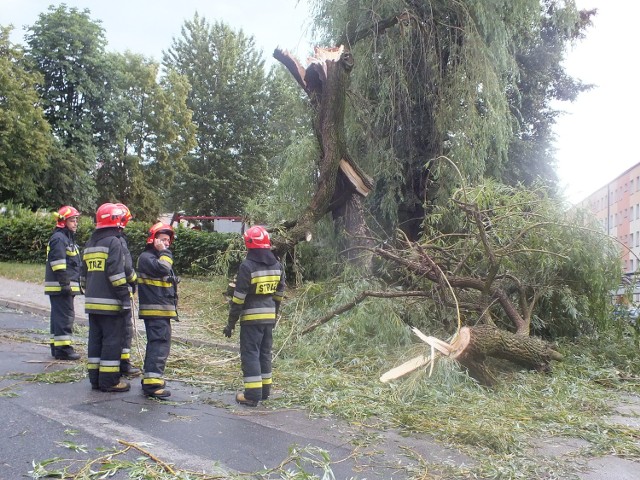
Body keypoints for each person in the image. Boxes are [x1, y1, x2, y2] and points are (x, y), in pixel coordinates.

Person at [223, 225, 285, 407]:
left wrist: (230, 323)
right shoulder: (277, 265)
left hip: (251, 319)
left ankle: (251, 395)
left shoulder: (247, 266)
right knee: (265, 354)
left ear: (248, 244)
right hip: (268, 316)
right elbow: (279, 295)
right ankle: (264, 392)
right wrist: (273, 315)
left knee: (250, 354)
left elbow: (239, 298)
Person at [81, 203, 132, 393]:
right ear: (116, 220)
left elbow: (83, 275)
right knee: (112, 342)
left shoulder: (91, 242)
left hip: (92, 303)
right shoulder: (115, 242)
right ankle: (110, 381)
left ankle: (95, 379)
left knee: (95, 341)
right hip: (111, 304)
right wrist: (125, 299)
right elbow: (116, 274)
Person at [136, 222, 178, 399]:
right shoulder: (147, 258)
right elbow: (163, 268)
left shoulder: (157, 257)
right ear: (152, 239)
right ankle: (152, 385)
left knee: (160, 345)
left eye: (168, 240)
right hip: (156, 309)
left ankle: (152, 378)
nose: (166, 243)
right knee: (158, 345)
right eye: (162, 239)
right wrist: (164, 252)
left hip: (162, 309)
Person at [44, 205, 82, 360]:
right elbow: (58, 264)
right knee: (65, 316)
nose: (75, 223)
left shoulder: (64, 238)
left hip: (61, 286)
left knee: (58, 316)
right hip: (61, 286)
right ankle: (63, 349)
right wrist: (65, 284)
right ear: (63, 222)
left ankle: (56, 346)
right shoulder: (59, 239)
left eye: (76, 220)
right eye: (72, 220)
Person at [115, 203, 141, 377]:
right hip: (121, 292)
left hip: (106, 294)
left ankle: (116, 362)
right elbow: (127, 267)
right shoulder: (119, 241)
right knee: (125, 328)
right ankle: (124, 364)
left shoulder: (99, 238)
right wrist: (134, 282)